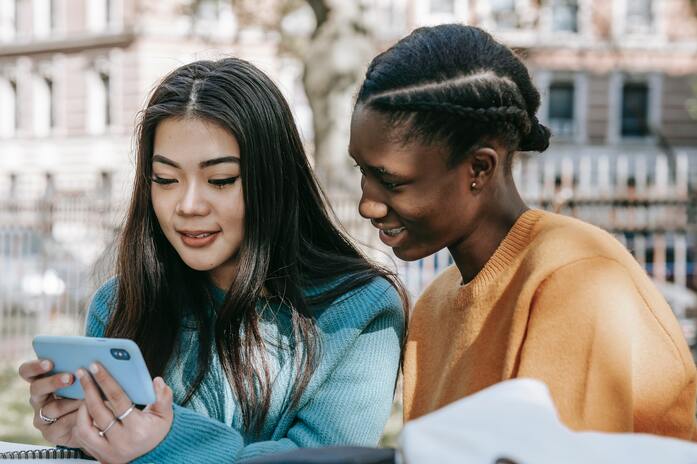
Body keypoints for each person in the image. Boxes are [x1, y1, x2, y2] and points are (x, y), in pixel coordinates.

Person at [18, 57, 406, 463]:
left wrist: (164, 441)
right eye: (165, 180)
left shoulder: (362, 313)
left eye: (220, 180)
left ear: (273, 180)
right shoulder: (119, 304)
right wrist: (76, 431)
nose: (187, 206)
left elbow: (312, 460)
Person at [348, 24, 697, 439]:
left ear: (480, 168)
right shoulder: (432, 306)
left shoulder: (575, 277)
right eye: (362, 172)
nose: (366, 204)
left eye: (391, 182)